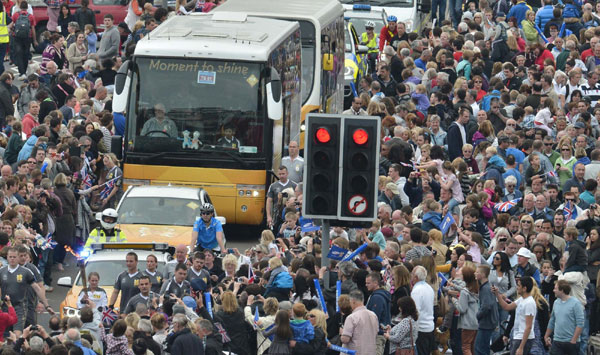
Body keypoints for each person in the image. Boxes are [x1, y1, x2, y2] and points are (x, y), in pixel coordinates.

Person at [0, 247, 53, 335]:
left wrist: (46, 305)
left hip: (20, 307)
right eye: (10, 257)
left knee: (17, 334)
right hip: (5, 307)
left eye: (14, 257)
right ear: (7, 257)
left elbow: (37, 288)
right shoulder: (1, 271)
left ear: (18, 258)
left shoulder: (26, 272)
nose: (12, 259)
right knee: (6, 335)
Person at [493, 276, 537, 355]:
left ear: (524, 288)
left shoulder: (529, 303)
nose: (517, 288)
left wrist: (521, 347)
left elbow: (528, 327)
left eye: (519, 285)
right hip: (517, 337)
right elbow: (506, 307)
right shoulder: (521, 299)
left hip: (523, 339)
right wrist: (497, 294)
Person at [544, 279, 585, 354]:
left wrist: (574, 340)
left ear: (562, 290)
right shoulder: (556, 303)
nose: (553, 290)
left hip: (571, 342)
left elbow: (580, 323)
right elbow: (552, 320)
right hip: (557, 341)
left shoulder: (576, 303)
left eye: (555, 288)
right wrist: (546, 336)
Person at [341, 290, 379, 355]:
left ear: (353, 302)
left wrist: (342, 333)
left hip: (355, 352)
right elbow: (376, 333)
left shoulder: (352, 317)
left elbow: (345, 339)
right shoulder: (373, 315)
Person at [411, 265, 435, 355]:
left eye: (412, 274)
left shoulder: (417, 290)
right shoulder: (429, 288)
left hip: (421, 328)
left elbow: (415, 311)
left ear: (416, 277)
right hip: (429, 326)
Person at [475, 264, 498, 355]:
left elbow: (486, 306)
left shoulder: (485, 289)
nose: (475, 273)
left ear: (483, 275)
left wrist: (478, 315)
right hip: (487, 322)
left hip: (486, 323)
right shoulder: (486, 287)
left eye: (477, 272)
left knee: (480, 349)